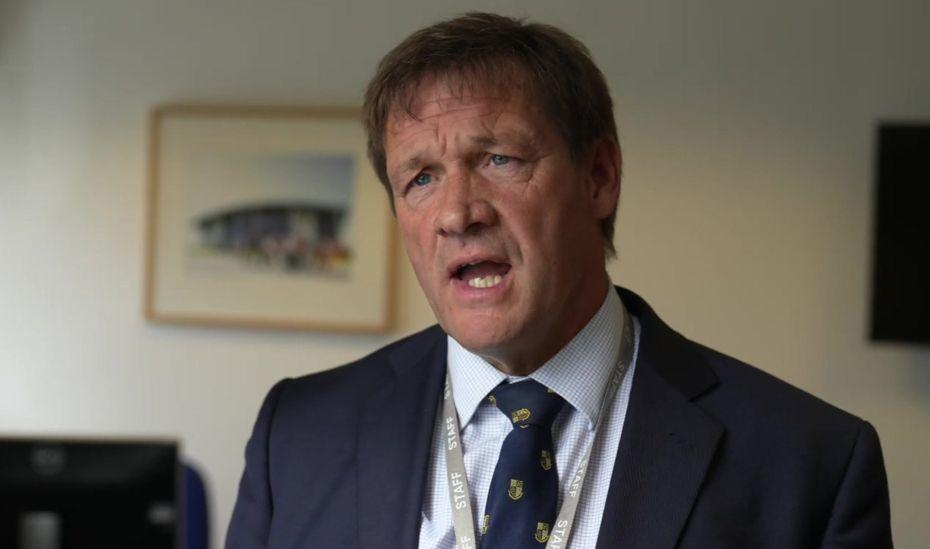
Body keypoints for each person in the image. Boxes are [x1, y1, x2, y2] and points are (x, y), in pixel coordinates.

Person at [226, 12, 892, 549]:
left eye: (499, 157)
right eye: (420, 177)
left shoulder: (807, 463)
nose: (459, 212)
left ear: (598, 177)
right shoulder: (300, 433)